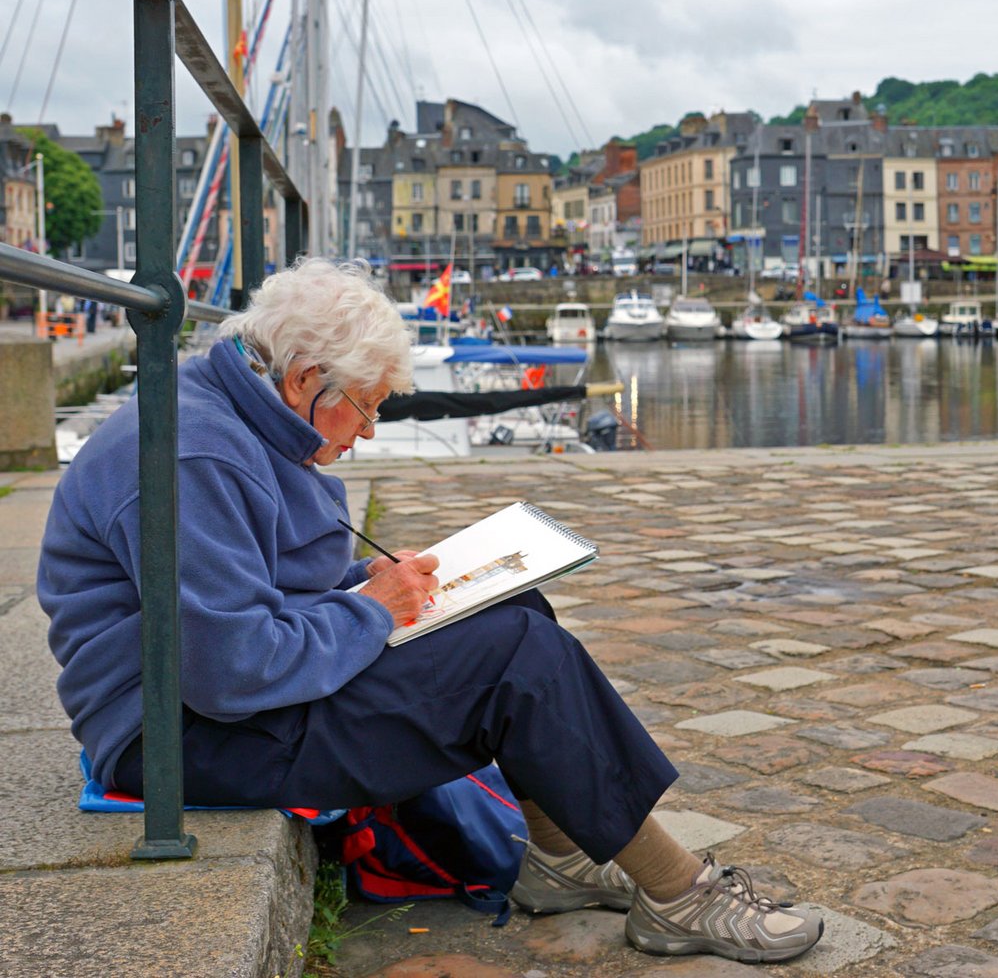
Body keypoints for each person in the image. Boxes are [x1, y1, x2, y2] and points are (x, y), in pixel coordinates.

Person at [38, 258, 822, 965]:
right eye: (367, 407)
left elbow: (248, 591)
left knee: (519, 604)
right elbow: (230, 669)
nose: (369, 432)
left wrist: (364, 584)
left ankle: (559, 861)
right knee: (515, 657)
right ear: (306, 377)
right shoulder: (195, 454)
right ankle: (678, 894)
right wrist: (373, 610)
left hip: (214, 705)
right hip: (179, 738)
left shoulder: (235, 415)